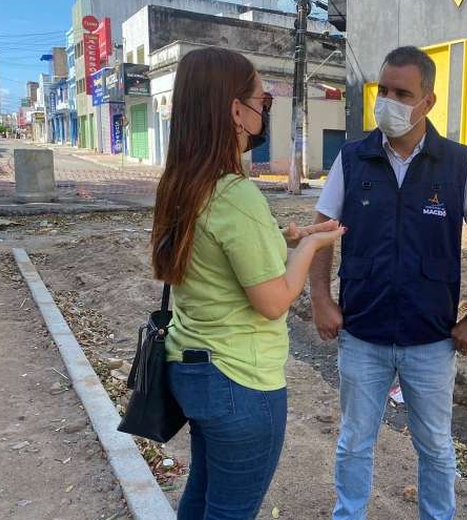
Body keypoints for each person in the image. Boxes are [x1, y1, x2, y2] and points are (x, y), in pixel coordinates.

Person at [309, 46, 467, 520]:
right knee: (355, 440)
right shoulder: (354, 159)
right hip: (362, 333)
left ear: (428, 102)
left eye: (402, 93)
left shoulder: (459, 163)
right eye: (383, 90)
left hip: (431, 340)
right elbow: (321, 232)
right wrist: (320, 299)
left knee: (436, 447)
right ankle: (348, 514)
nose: (388, 102)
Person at [150, 47, 345, 520]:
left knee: (201, 497)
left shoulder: (182, 183)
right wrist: (310, 249)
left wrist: (285, 238)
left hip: (192, 370)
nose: (264, 111)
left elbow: (214, 259)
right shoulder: (236, 195)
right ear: (235, 110)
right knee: (230, 510)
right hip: (240, 382)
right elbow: (274, 300)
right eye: (263, 101)